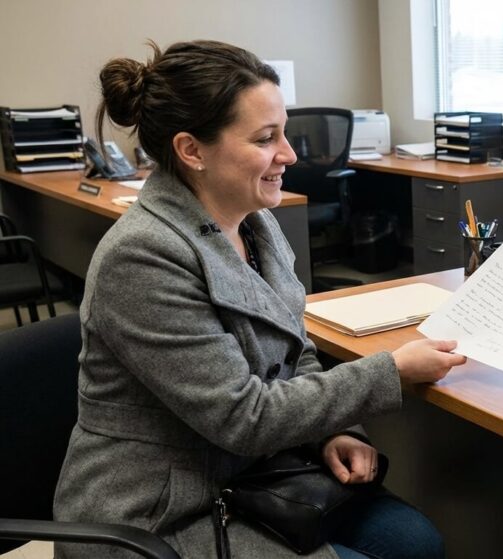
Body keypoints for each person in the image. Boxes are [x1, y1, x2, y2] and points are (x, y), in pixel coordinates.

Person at [53, 40, 466, 559]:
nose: (290, 154)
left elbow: (294, 349)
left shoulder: (256, 224)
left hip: (252, 473)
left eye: (284, 132)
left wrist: (334, 431)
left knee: (415, 543)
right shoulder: (141, 257)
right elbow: (244, 416)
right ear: (191, 150)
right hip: (163, 511)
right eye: (266, 138)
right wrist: (391, 372)